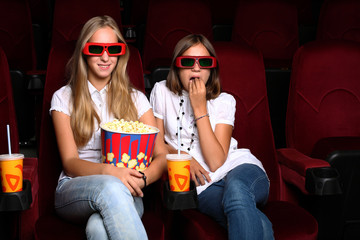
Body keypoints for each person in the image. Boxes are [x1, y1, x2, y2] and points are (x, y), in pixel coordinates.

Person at [50, 15, 167, 240]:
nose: (105, 57)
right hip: (74, 188)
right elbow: (70, 162)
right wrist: (112, 173)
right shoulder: (63, 97)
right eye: (96, 48)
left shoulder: (137, 99)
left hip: (128, 188)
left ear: (120, 52)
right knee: (111, 187)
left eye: (112, 48)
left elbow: (161, 156)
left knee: (97, 229)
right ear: (85, 50)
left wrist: (141, 179)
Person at [150, 34, 274, 240]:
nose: (196, 68)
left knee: (236, 191)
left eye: (204, 62)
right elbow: (156, 144)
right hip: (203, 185)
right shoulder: (161, 91)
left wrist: (200, 107)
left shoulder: (225, 101)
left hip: (240, 169)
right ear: (177, 66)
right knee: (258, 222)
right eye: (188, 62)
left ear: (212, 69)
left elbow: (216, 161)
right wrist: (184, 158)